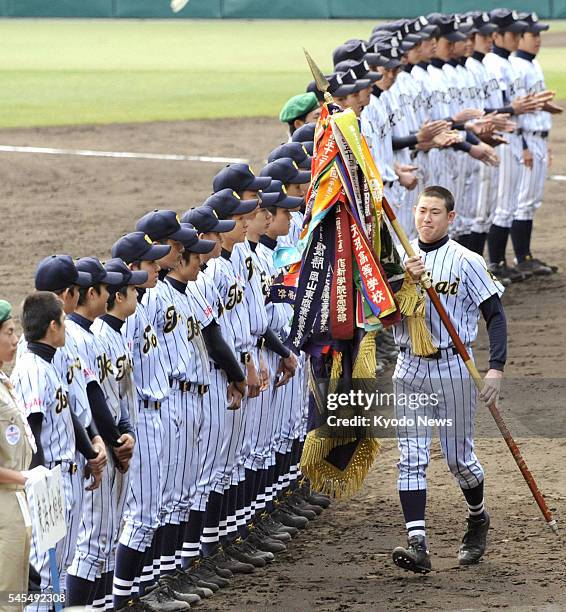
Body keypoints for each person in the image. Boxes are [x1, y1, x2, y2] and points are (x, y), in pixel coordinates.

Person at [391, 186, 506, 573]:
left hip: (454, 367)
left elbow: (495, 314)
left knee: (460, 460)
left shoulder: (466, 260)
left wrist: (496, 367)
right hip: (408, 367)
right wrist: (401, 282)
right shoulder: (397, 260)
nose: (426, 218)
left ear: (450, 218)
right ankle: (417, 543)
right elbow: (378, 312)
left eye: (435, 212)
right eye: (422, 210)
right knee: (410, 457)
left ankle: (477, 518)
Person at [11, 292, 76, 610]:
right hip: (46, 481)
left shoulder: (47, 364)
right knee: (42, 579)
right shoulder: (34, 369)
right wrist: (40, 489)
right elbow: (33, 436)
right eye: (63, 321)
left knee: (57, 573)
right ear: (53, 326)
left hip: (58, 477)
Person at [0, 300, 36, 612]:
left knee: (17, 596)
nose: (16, 340)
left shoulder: (4, 381)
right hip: (4, 500)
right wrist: (26, 478)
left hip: (16, 499)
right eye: (9, 333)